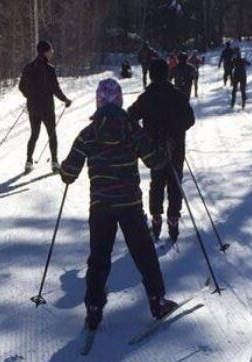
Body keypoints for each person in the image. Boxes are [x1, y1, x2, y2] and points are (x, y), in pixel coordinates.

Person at [60, 78, 177, 330]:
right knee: (144, 253)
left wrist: (65, 169)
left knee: (99, 258)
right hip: (129, 204)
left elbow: (69, 173)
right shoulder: (132, 129)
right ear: (120, 100)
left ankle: (93, 308)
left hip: (101, 206)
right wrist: (166, 148)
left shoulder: (88, 134)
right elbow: (155, 161)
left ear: (98, 101)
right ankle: (157, 301)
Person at [128, 59, 195, 242]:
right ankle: (173, 220)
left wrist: (145, 134)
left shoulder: (146, 97)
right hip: (176, 148)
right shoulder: (179, 96)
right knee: (175, 183)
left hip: (154, 150)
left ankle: (156, 219)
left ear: (150, 75)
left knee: (156, 184)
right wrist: (174, 131)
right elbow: (190, 120)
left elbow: (129, 117)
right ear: (167, 74)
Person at [19, 40, 72, 175]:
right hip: (47, 108)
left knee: (34, 135)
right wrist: (65, 100)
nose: (52, 52)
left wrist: (29, 96)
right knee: (52, 134)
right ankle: (54, 163)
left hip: (33, 107)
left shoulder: (28, 67)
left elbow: (21, 87)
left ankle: (28, 162)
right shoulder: (50, 69)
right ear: (45, 52)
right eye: (50, 50)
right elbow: (55, 89)